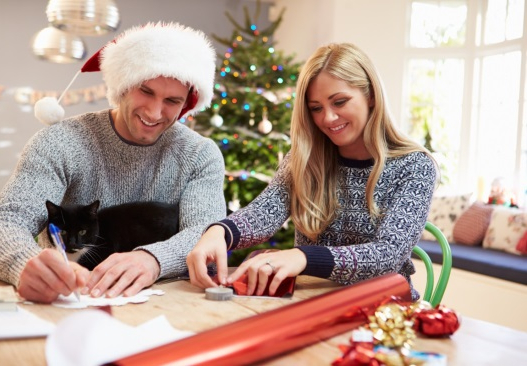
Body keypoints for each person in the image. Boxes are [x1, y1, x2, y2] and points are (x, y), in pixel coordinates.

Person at [0, 22, 226, 303]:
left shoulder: (200, 155)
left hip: (171, 303)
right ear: (122, 85)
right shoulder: (60, 142)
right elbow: (3, 224)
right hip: (72, 301)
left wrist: (152, 259)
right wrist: (23, 264)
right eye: (145, 91)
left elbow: (206, 236)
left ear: (187, 103)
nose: (155, 112)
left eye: (172, 100)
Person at [187, 43, 438, 300]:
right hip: (312, 302)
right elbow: (264, 212)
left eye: (339, 102)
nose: (328, 118)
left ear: (371, 95)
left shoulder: (415, 166)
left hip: (385, 309)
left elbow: (389, 254)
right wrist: (220, 232)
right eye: (316, 108)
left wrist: (304, 256)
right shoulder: (303, 159)